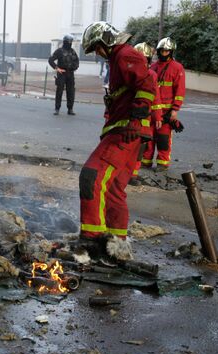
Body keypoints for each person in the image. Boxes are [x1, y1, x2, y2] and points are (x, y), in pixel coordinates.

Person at [78, 21, 155, 244]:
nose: (98, 53)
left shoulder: (125, 55)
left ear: (107, 40)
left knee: (91, 176)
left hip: (126, 132)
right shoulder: (118, 59)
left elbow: (147, 86)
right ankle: (117, 244)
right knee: (113, 189)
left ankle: (92, 240)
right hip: (130, 132)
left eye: (97, 47)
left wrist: (135, 119)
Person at [142, 37, 185, 172]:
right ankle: (146, 161)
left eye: (166, 51)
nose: (164, 53)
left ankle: (162, 163)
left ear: (171, 52)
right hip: (152, 109)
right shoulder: (153, 67)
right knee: (148, 136)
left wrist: (175, 109)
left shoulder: (177, 68)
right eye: (162, 50)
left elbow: (180, 90)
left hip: (166, 111)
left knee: (163, 138)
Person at [130, 42, 162, 186]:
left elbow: (156, 97)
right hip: (127, 117)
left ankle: (133, 175)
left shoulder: (152, 75)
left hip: (144, 120)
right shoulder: (127, 72)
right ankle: (123, 174)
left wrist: (158, 116)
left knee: (139, 149)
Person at [48, 34, 80, 115]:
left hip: (70, 74)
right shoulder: (59, 51)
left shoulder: (73, 51)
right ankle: (57, 109)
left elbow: (77, 61)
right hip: (61, 74)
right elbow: (50, 60)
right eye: (69, 42)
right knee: (59, 91)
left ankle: (70, 109)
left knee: (71, 92)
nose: (70, 43)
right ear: (65, 42)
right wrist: (57, 68)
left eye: (71, 42)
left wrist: (74, 67)